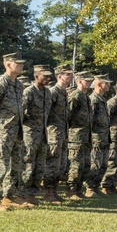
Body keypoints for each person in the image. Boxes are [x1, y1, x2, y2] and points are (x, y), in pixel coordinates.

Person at [0, 52, 27, 212]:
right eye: (18, 63)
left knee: (15, 166)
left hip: (16, 131)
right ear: (8, 64)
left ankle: (9, 196)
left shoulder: (18, 84)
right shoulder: (1, 83)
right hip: (2, 132)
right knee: (0, 165)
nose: (22, 65)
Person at [20, 64, 52, 206]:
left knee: (39, 167)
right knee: (27, 166)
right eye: (44, 76)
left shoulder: (48, 93)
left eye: (49, 75)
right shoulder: (29, 92)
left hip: (43, 135)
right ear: (36, 76)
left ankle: (32, 194)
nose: (48, 78)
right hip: (30, 135)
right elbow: (20, 113)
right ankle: (22, 194)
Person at [44, 65, 72, 204]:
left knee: (60, 164)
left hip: (62, 133)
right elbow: (46, 114)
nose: (71, 77)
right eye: (68, 74)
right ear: (60, 76)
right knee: (52, 163)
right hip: (54, 133)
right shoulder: (53, 92)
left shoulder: (64, 92)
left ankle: (54, 191)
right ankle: (48, 193)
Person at [65, 72, 94, 200]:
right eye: (87, 80)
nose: (89, 83)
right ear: (79, 81)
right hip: (75, 138)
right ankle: (71, 191)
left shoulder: (86, 97)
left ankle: (78, 189)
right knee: (75, 165)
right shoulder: (75, 96)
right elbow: (67, 117)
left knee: (85, 165)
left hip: (86, 138)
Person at [87, 75, 112, 195]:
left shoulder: (102, 100)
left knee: (103, 164)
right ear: (99, 84)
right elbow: (90, 121)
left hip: (104, 138)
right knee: (95, 164)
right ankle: (89, 188)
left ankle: (96, 186)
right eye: (106, 83)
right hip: (96, 138)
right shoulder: (93, 99)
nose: (109, 86)